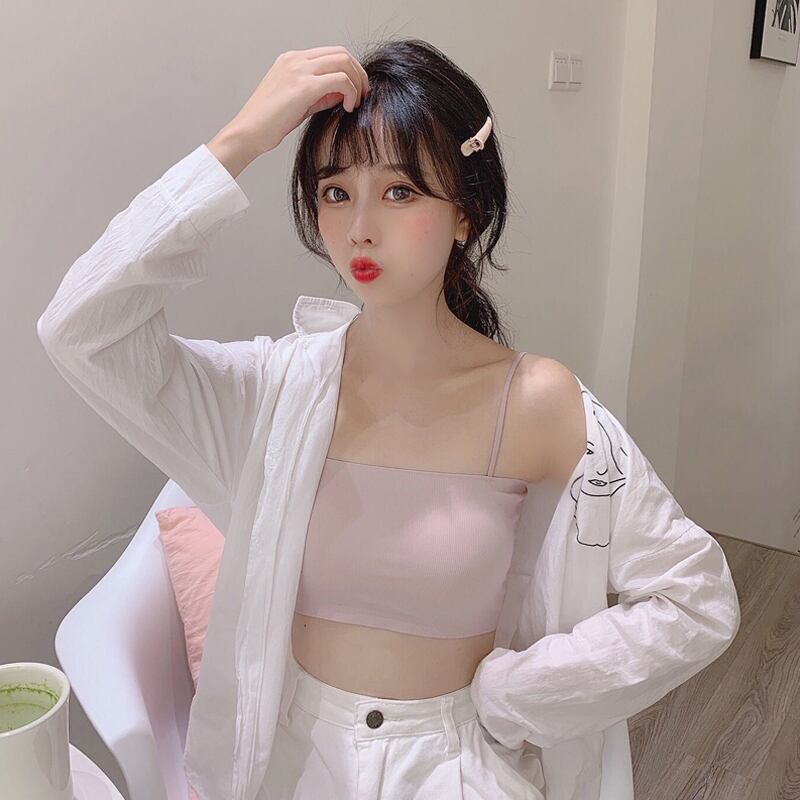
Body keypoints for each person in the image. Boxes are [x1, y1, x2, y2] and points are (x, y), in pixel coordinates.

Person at [37, 38, 740, 800]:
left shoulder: (534, 402)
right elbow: (82, 329)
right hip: (290, 766)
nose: (361, 228)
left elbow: (694, 599)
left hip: (454, 767)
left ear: (465, 213)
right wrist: (240, 142)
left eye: (400, 192)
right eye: (336, 192)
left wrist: (518, 695)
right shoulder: (276, 391)